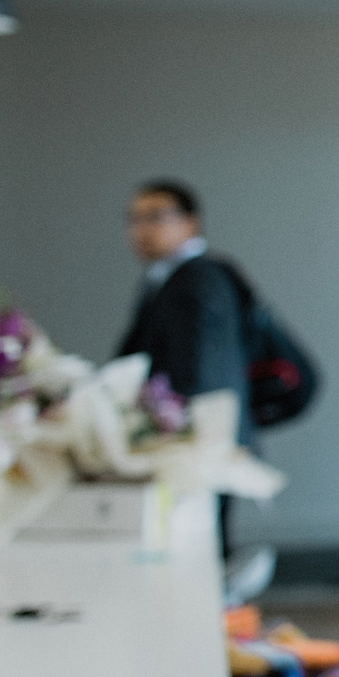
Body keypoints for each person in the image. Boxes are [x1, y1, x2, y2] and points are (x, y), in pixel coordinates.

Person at [118, 178, 253, 549]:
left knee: (201, 551)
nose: (141, 229)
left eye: (155, 217)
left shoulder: (195, 280)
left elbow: (198, 371)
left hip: (199, 444)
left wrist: (179, 433)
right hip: (197, 442)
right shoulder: (168, 279)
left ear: (191, 223)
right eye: (134, 219)